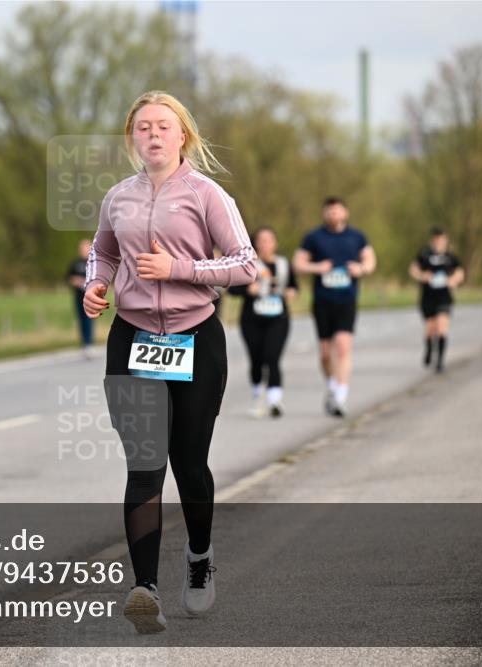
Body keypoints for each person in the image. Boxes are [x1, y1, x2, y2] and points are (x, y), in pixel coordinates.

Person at [83, 90, 256, 633]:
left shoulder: (207, 195)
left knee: (188, 463)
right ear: (132, 137)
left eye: (163, 126)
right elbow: (103, 251)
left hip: (195, 338)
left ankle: (199, 557)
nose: (153, 134)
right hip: (132, 338)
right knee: (144, 465)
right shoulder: (118, 197)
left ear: (183, 135)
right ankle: (146, 589)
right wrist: (96, 284)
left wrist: (179, 269)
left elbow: (246, 265)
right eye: (143, 127)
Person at [293, 197, 376, 418]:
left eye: (337, 211)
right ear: (324, 214)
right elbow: (298, 264)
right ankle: (332, 385)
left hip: (347, 299)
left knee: (343, 346)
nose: (333, 215)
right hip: (323, 300)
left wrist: (361, 269)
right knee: (325, 353)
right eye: (329, 211)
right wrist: (316, 267)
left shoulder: (357, 237)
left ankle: (340, 395)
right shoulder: (313, 237)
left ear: (345, 213)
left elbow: (370, 260)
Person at [228, 226, 298, 417]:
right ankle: (257, 394)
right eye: (261, 241)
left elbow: (293, 285)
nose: (266, 244)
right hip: (252, 319)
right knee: (256, 358)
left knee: (272, 356)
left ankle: (275, 400)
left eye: (269, 240)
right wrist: (247, 290)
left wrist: (292, 291)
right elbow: (232, 289)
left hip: (278, 318)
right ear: (255, 244)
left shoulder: (284, 264)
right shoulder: (247, 264)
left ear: (275, 243)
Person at [409, 227, 464, 373]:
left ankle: (440, 361)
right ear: (433, 240)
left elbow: (460, 272)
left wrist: (453, 280)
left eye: (442, 239)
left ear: (446, 240)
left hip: (444, 297)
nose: (439, 242)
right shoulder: (425, 254)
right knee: (430, 329)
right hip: (428, 297)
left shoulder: (450, 257)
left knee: (442, 327)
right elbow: (413, 269)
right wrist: (422, 276)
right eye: (437, 239)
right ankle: (428, 348)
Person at [67, 239, 94, 357]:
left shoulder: (93, 263)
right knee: (81, 320)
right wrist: (78, 281)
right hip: (78, 297)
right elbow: (69, 278)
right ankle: (84, 343)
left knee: (89, 319)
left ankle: (89, 343)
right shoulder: (75, 263)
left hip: (90, 297)